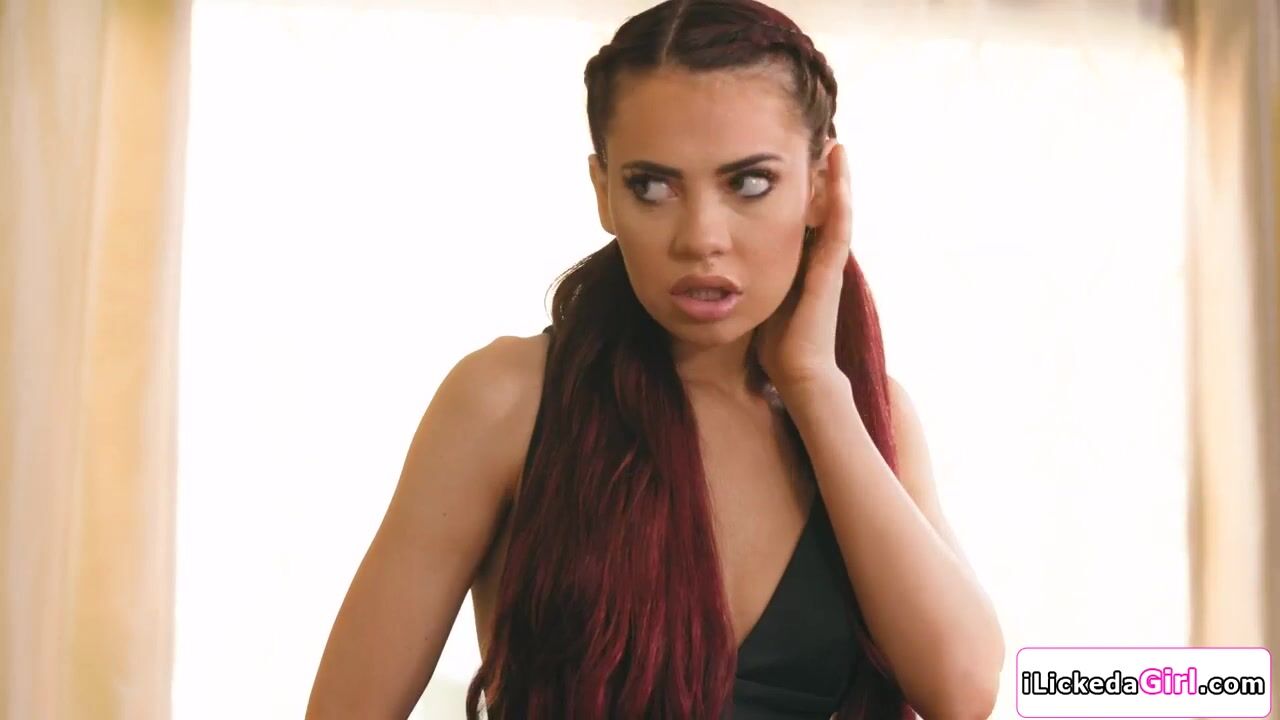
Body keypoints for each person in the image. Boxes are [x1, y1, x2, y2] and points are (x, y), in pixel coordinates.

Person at [305, 1, 1004, 718]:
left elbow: (961, 691)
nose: (700, 237)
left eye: (748, 183)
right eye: (653, 186)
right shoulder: (507, 401)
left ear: (822, 187)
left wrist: (815, 386)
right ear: (603, 192)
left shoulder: (869, 417)